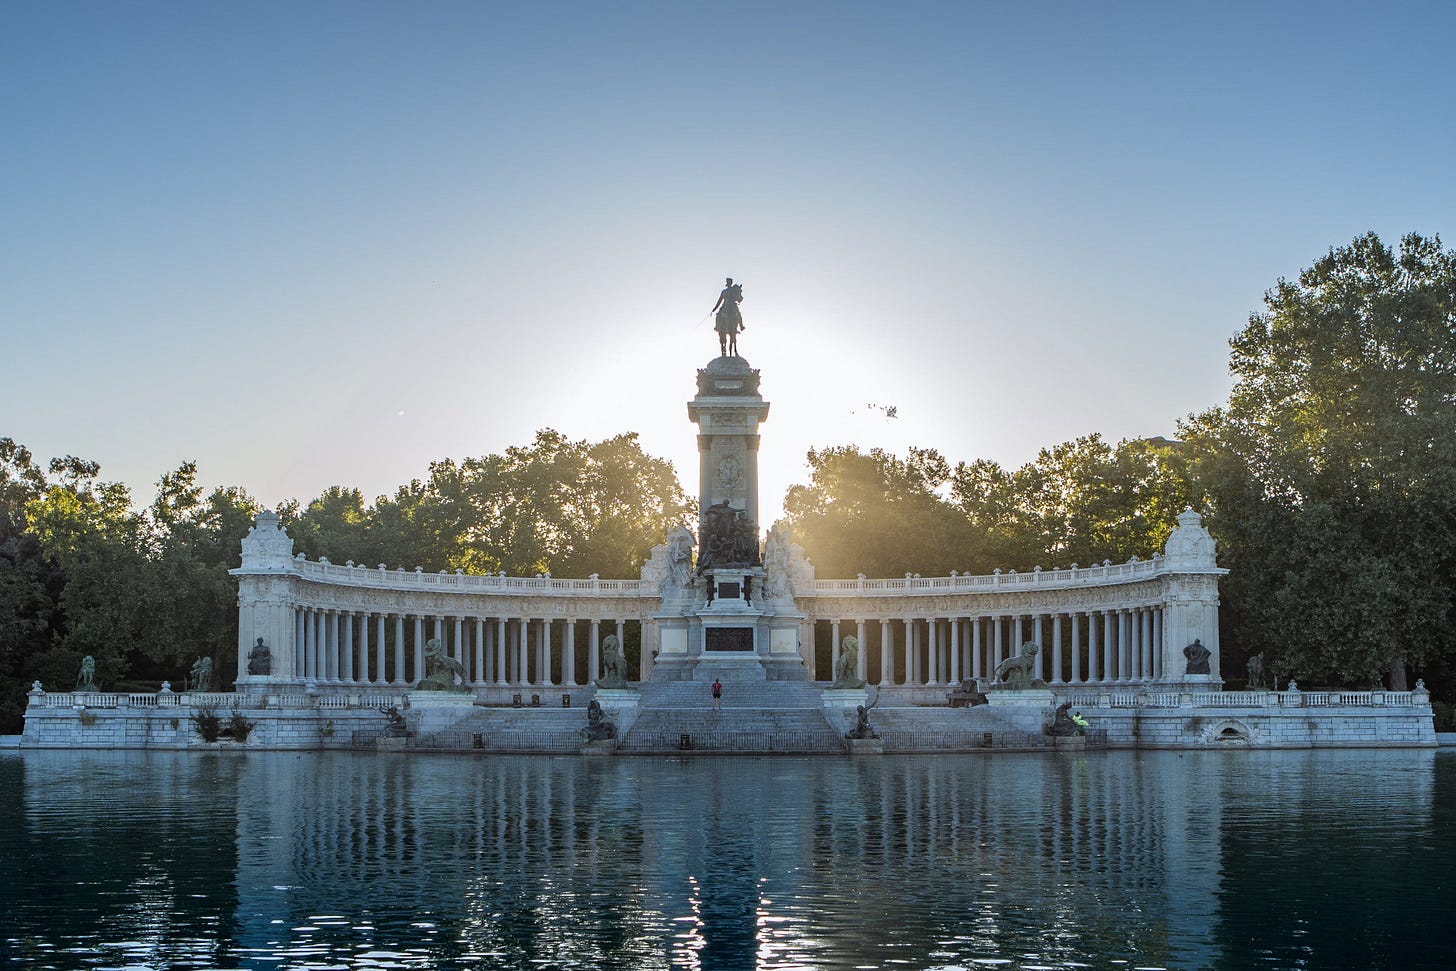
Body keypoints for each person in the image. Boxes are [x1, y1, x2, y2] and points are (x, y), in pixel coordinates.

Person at [711, 278, 744, 356]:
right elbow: (720, 301)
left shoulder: (730, 291)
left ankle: (741, 325)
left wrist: (714, 308)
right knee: (719, 315)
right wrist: (714, 309)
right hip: (728, 306)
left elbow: (720, 301)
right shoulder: (726, 291)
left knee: (737, 314)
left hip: (729, 306)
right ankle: (718, 326)